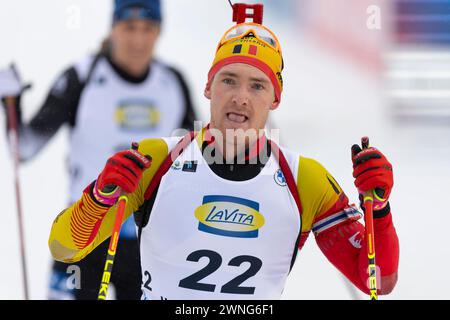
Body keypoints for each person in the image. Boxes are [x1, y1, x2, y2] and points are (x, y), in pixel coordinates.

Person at [48, 4, 399, 300]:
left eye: (257, 85)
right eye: (228, 80)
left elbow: (377, 280)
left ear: (275, 98)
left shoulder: (304, 180)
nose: (241, 97)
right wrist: (99, 197)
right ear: (207, 87)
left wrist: (379, 209)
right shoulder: (157, 161)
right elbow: (65, 248)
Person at [1, 0, 196, 300]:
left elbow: (195, 160)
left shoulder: (173, 83)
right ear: (113, 27)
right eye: (129, 27)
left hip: (147, 243)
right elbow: (23, 149)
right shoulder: (81, 78)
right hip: (84, 235)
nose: (138, 40)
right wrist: (10, 103)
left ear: (159, 31)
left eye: (148, 28)